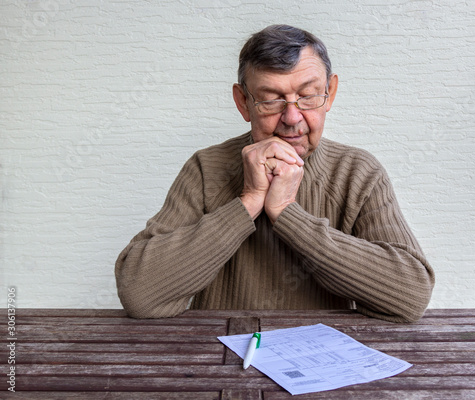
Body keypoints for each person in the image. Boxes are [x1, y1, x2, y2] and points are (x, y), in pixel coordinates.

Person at [115, 24, 435, 323]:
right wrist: (249, 201)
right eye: (271, 100)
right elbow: (139, 294)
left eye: (308, 96)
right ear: (244, 103)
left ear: (330, 93)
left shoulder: (358, 172)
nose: (292, 117)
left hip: (324, 364)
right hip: (221, 358)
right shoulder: (206, 167)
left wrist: (286, 214)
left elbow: (410, 296)